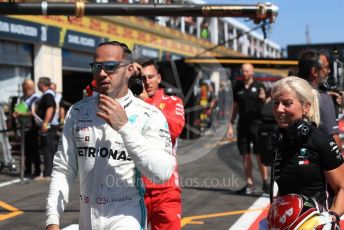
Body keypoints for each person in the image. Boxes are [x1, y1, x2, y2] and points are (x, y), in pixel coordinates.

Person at [45, 41, 174, 230]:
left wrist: (125, 127)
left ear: (129, 70)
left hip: (127, 217)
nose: (102, 73)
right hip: (87, 219)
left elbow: (162, 173)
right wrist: (52, 219)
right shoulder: (78, 112)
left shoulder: (150, 115)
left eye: (110, 67)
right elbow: (64, 169)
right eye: (97, 67)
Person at [268, 76, 344, 228]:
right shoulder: (278, 139)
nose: (279, 109)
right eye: (276, 103)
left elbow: (342, 186)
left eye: (287, 103)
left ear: (306, 107)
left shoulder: (320, 140)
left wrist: (332, 217)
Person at [136, 58, 185, 230]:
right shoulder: (127, 103)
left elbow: (175, 128)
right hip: (132, 188)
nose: (146, 82)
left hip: (166, 188)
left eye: (150, 77)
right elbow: (94, 92)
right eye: (141, 78)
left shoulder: (173, 101)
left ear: (159, 77)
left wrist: (146, 102)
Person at [227, 63, 269, 194]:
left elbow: (267, 102)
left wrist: (264, 98)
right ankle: (249, 184)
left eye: (246, 71)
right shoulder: (237, 87)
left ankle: (265, 182)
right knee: (245, 155)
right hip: (243, 125)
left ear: (252, 72)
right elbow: (234, 108)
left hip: (257, 125)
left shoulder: (259, 86)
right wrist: (230, 124)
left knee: (259, 155)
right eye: (242, 71)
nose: (244, 73)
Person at [298, 49, 340, 145]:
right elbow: (334, 139)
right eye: (326, 67)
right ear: (315, 72)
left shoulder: (290, 92)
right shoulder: (323, 98)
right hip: (319, 157)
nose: (329, 71)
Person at [13, 79, 40, 178]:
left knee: (34, 150)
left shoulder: (36, 98)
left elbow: (35, 113)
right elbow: (19, 109)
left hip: (33, 128)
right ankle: (27, 170)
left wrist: (21, 113)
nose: (24, 89)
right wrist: (16, 113)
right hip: (23, 127)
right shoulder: (23, 98)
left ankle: (37, 171)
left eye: (25, 87)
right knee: (26, 151)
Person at [33, 77, 58, 180]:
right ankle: (48, 172)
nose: (37, 85)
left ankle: (48, 174)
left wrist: (45, 124)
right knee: (47, 147)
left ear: (42, 84)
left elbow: (50, 109)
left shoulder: (48, 95)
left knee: (47, 148)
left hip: (48, 125)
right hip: (47, 125)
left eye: (38, 83)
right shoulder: (47, 94)